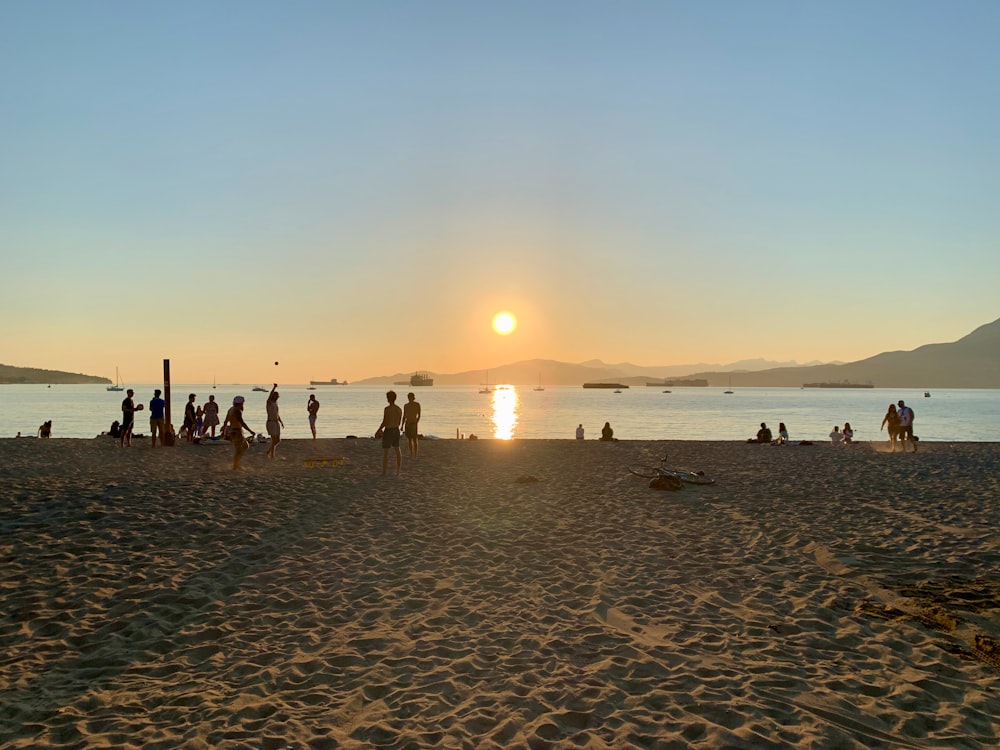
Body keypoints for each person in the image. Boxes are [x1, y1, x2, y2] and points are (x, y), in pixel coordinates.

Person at [221, 395, 255, 470]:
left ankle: (236, 464)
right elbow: (242, 422)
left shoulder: (231, 409)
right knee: (240, 449)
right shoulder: (237, 411)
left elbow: (226, 420)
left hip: (232, 430)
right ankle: (236, 465)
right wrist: (250, 431)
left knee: (242, 447)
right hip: (237, 431)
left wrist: (223, 429)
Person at [376, 390, 403, 476]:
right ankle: (398, 471)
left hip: (389, 430)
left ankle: (384, 472)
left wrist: (379, 430)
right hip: (396, 430)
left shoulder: (387, 409)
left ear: (388, 399)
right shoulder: (399, 409)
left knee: (386, 452)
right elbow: (399, 422)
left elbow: (385, 421)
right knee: (397, 449)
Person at [265, 384, 284, 459]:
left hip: (276, 422)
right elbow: (269, 397)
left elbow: (277, 414)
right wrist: (274, 387)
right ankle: (272, 455)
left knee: (278, 440)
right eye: (275, 396)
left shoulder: (276, 404)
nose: (276, 397)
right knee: (274, 439)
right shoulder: (269, 403)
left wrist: (281, 422)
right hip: (271, 422)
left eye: (277, 396)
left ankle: (269, 451)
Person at [402, 392, 421, 458]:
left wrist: (416, 422)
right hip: (408, 423)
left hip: (413, 423)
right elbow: (404, 416)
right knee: (410, 439)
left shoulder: (417, 404)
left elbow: (419, 415)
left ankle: (415, 454)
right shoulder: (406, 405)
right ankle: (411, 454)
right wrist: (402, 425)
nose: (409, 398)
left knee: (414, 438)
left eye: (410, 397)